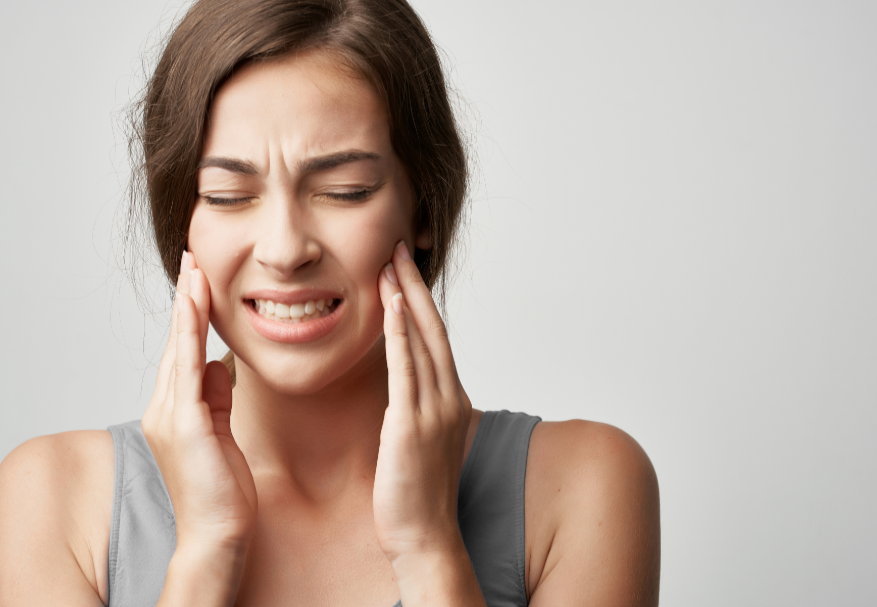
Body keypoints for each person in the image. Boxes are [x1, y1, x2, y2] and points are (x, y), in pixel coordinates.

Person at [0, 0, 660, 604]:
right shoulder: (55, 499)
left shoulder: (580, 486)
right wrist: (204, 554)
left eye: (343, 190)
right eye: (229, 196)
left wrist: (430, 552)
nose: (285, 249)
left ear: (422, 205)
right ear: (182, 223)